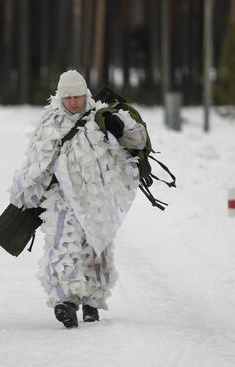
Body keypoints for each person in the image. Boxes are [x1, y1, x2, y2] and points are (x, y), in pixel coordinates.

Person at [9, 70, 146, 328]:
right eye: (68, 97)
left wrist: (121, 131)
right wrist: (25, 193)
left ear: (86, 94)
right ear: (60, 96)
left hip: (97, 197)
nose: (73, 102)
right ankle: (66, 302)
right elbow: (35, 161)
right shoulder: (49, 122)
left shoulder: (103, 115)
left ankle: (93, 302)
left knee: (97, 246)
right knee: (61, 244)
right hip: (62, 197)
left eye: (78, 96)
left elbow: (138, 141)